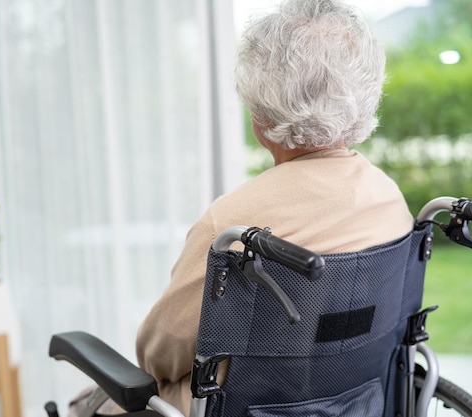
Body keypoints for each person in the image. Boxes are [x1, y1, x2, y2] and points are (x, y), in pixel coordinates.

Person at [135, 0, 413, 415]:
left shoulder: (231, 225)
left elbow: (160, 353)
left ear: (260, 117)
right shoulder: (389, 199)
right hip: (359, 401)